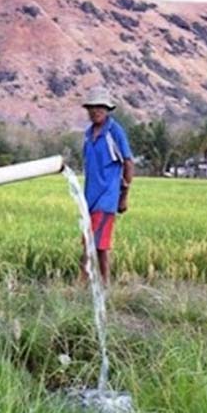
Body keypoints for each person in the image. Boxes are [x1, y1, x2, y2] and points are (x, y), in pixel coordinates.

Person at [81, 87, 134, 286]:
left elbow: (128, 162)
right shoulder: (88, 134)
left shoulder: (114, 132)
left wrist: (123, 196)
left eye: (100, 108)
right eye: (92, 108)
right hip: (90, 198)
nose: (95, 112)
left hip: (107, 197)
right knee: (99, 245)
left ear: (107, 109)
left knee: (90, 242)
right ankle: (104, 284)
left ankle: (81, 283)